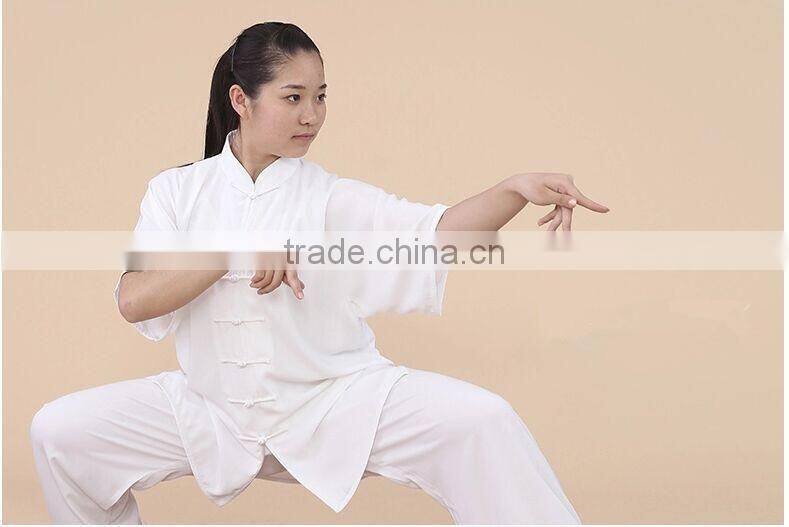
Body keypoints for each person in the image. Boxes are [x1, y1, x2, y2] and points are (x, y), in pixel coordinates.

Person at [29, 21, 609, 525]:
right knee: (60, 433)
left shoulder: (331, 198)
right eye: (293, 97)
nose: (312, 116)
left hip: (338, 403)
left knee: (483, 421)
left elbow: (435, 236)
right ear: (241, 99)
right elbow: (134, 299)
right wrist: (234, 251)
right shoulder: (176, 192)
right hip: (211, 410)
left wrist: (512, 189)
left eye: (321, 97)